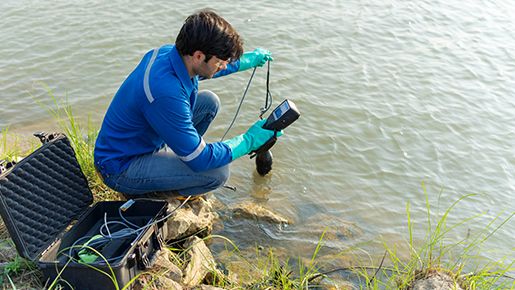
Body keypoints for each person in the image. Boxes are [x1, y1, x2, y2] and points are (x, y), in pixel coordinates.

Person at [94, 9, 282, 201]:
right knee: (217, 173)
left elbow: (210, 69)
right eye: (220, 61)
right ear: (198, 56)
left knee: (209, 102)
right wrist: (248, 140)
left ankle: (177, 168)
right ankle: (138, 193)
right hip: (120, 167)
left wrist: (250, 60)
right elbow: (202, 159)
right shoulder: (165, 92)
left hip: (140, 141)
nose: (223, 65)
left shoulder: (171, 54)